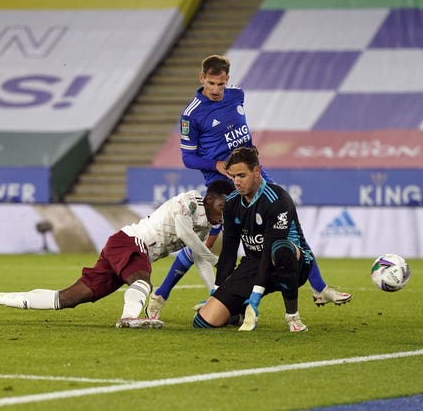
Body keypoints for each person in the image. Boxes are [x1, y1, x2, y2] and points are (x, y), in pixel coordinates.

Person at [146, 54, 350, 320]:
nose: (216, 90)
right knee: (206, 242)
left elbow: (241, 131)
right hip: (224, 183)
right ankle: (163, 294)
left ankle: (319, 287)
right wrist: (216, 163)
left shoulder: (237, 96)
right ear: (201, 78)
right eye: (211, 84)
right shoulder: (192, 114)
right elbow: (187, 157)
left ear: (227, 80)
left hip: (255, 173)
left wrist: (249, 154)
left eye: (220, 84)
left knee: (287, 222)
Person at [0, 179, 234, 328]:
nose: (225, 212)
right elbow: (186, 236)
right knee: (142, 280)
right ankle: (129, 318)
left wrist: (216, 292)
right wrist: (215, 258)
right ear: (209, 200)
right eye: (223, 205)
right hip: (130, 242)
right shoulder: (187, 202)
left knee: (67, 298)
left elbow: (197, 256)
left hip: (124, 251)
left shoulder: (208, 222)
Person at [193, 147, 311, 332]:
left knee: (280, 251)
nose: (236, 182)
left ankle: (293, 317)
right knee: (204, 322)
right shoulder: (231, 203)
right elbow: (229, 252)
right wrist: (216, 291)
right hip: (255, 263)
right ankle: (236, 313)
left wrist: (255, 296)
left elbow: (269, 251)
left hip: (292, 263)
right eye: (232, 177)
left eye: (241, 175)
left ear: (256, 172)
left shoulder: (278, 199)